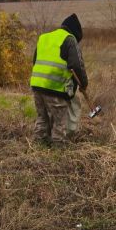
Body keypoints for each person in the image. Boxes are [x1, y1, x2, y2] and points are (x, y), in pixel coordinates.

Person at [30, 13, 88, 146]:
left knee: (42, 118)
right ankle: (58, 153)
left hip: (37, 86)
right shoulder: (69, 39)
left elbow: (35, 61)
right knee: (59, 122)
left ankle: (38, 147)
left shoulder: (44, 37)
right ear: (75, 32)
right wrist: (84, 84)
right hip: (55, 87)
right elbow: (77, 65)